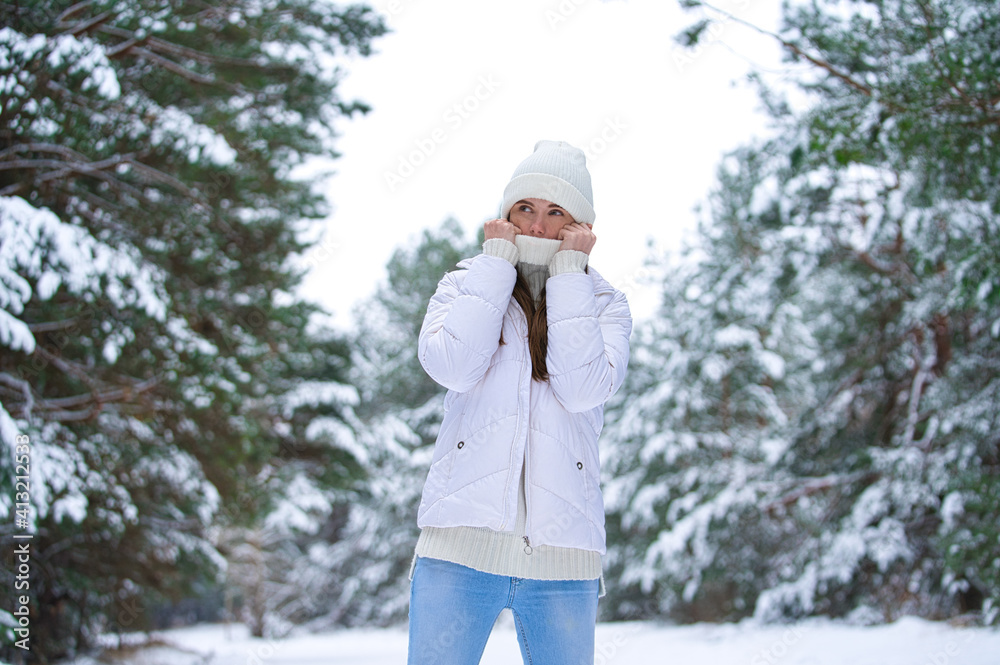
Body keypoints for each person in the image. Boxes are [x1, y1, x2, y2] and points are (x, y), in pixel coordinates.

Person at [406, 140, 632, 665]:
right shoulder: (464, 283)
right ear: (504, 214)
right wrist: (496, 265)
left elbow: (582, 390)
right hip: (458, 549)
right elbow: (453, 368)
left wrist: (569, 277)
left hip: (564, 558)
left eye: (557, 213)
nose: (537, 226)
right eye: (525, 208)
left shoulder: (605, 304)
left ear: (580, 226)